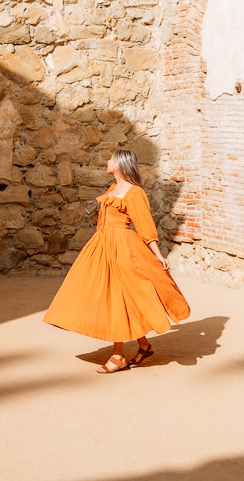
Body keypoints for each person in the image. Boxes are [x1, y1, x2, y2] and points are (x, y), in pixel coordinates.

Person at [43, 149, 191, 373]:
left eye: (111, 159)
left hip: (123, 250)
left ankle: (118, 355)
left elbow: (145, 226)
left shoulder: (135, 193)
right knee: (107, 296)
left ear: (120, 165)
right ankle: (143, 346)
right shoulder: (112, 188)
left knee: (117, 298)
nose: (107, 161)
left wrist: (157, 254)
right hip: (102, 247)